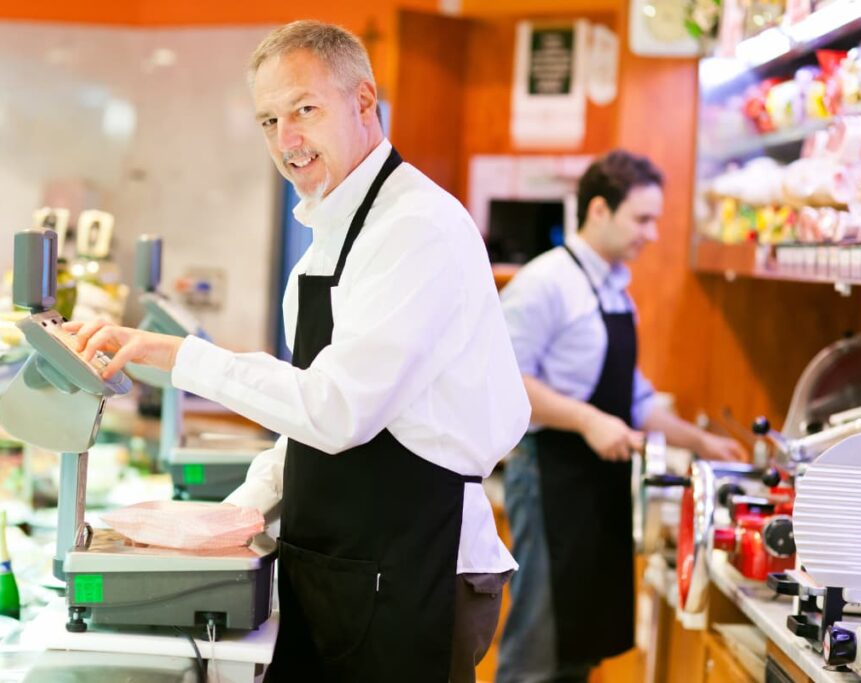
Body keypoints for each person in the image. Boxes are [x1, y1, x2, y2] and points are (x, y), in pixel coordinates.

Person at [66, 20, 530, 683]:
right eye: (268, 120)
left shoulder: (416, 229)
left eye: (305, 109)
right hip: (342, 565)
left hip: (412, 570)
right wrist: (240, 511)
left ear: (364, 102)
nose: (287, 139)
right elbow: (309, 421)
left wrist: (183, 357)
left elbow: (338, 410)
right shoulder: (330, 236)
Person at [494, 150, 746, 683]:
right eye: (643, 219)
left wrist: (702, 442)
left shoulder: (615, 289)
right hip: (549, 479)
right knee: (538, 647)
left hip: (597, 487)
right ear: (600, 211)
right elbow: (504, 382)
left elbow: (634, 401)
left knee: (579, 643)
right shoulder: (545, 283)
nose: (653, 234)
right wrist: (587, 421)